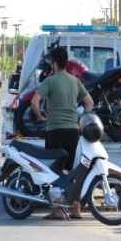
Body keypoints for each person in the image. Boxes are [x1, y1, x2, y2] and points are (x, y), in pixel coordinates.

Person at [30, 45, 94, 220]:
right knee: (70, 170)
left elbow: (35, 102)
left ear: (54, 63)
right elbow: (89, 102)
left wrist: (41, 116)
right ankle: (76, 209)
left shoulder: (50, 81)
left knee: (55, 171)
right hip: (73, 131)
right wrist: (83, 119)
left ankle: (58, 210)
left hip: (55, 130)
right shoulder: (75, 81)